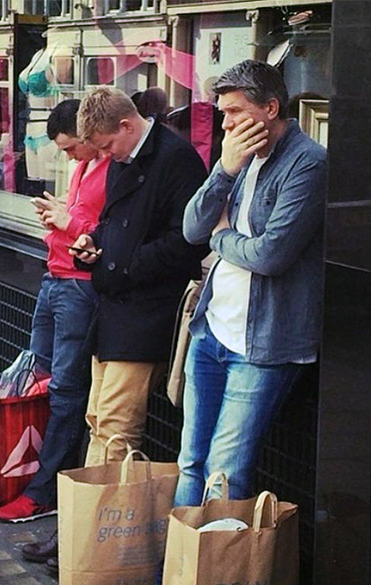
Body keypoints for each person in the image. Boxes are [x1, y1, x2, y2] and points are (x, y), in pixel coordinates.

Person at [108, 59, 328, 585]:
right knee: (189, 465)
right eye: (223, 112)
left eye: (234, 112)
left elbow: (273, 253)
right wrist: (225, 173)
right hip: (211, 332)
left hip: (265, 344)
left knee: (225, 474)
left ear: (270, 109)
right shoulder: (238, 156)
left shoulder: (307, 163)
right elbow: (190, 226)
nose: (225, 122)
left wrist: (223, 239)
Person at [69, 87, 208, 466]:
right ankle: (93, 517)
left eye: (108, 144)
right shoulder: (125, 155)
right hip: (115, 307)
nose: (105, 155)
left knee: (116, 428)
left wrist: (122, 262)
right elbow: (112, 224)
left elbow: (188, 240)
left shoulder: (177, 158)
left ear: (128, 125)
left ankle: (104, 520)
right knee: (97, 416)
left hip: (146, 312)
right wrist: (91, 242)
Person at [0, 100, 109, 536]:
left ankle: (45, 491)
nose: (68, 156)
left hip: (80, 284)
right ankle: (32, 473)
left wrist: (67, 218)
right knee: (35, 376)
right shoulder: (83, 167)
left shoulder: (109, 166)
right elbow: (81, 216)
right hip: (56, 275)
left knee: (63, 389)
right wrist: (58, 215)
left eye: (71, 148)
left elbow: (102, 227)